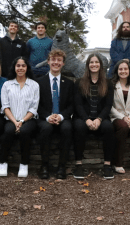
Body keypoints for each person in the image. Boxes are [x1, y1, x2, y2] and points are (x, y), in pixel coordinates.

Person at [73, 54, 115, 180]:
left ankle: (107, 165)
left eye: (97, 62)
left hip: (100, 118)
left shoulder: (108, 83)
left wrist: (99, 119)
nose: (94, 64)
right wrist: (86, 119)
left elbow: (108, 105)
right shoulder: (80, 82)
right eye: (91, 62)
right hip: (82, 117)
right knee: (79, 127)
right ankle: (78, 164)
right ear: (88, 65)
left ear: (100, 65)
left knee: (108, 127)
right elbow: (78, 104)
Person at [35, 49, 74, 179]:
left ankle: (62, 166)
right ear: (48, 61)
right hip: (45, 117)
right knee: (46, 128)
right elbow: (36, 104)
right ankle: (44, 165)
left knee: (67, 128)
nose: (56, 62)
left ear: (63, 63)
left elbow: (72, 105)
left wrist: (61, 116)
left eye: (59, 60)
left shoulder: (69, 83)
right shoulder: (39, 82)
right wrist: (48, 116)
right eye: (53, 60)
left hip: (63, 116)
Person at [0, 57, 40, 178]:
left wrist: (21, 121)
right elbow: (5, 106)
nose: (20, 68)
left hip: (28, 120)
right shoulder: (7, 84)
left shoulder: (34, 85)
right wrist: (15, 122)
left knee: (25, 132)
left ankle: (24, 163)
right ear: (14, 68)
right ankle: (3, 162)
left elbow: (33, 108)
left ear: (27, 68)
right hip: (10, 119)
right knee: (8, 131)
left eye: (23, 66)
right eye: (18, 65)